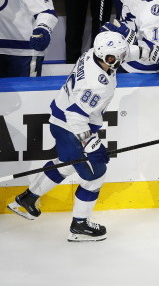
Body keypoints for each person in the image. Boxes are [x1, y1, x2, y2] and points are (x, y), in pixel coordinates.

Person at [7, 31, 129, 241]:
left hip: (60, 121)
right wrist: (92, 144)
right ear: (104, 56)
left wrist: (147, 53)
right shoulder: (96, 84)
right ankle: (79, 226)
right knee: (95, 176)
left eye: (118, 56)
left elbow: (121, 52)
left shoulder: (93, 53)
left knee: (65, 163)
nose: (117, 61)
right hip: (72, 128)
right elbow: (75, 116)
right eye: (112, 59)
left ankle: (27, 199)